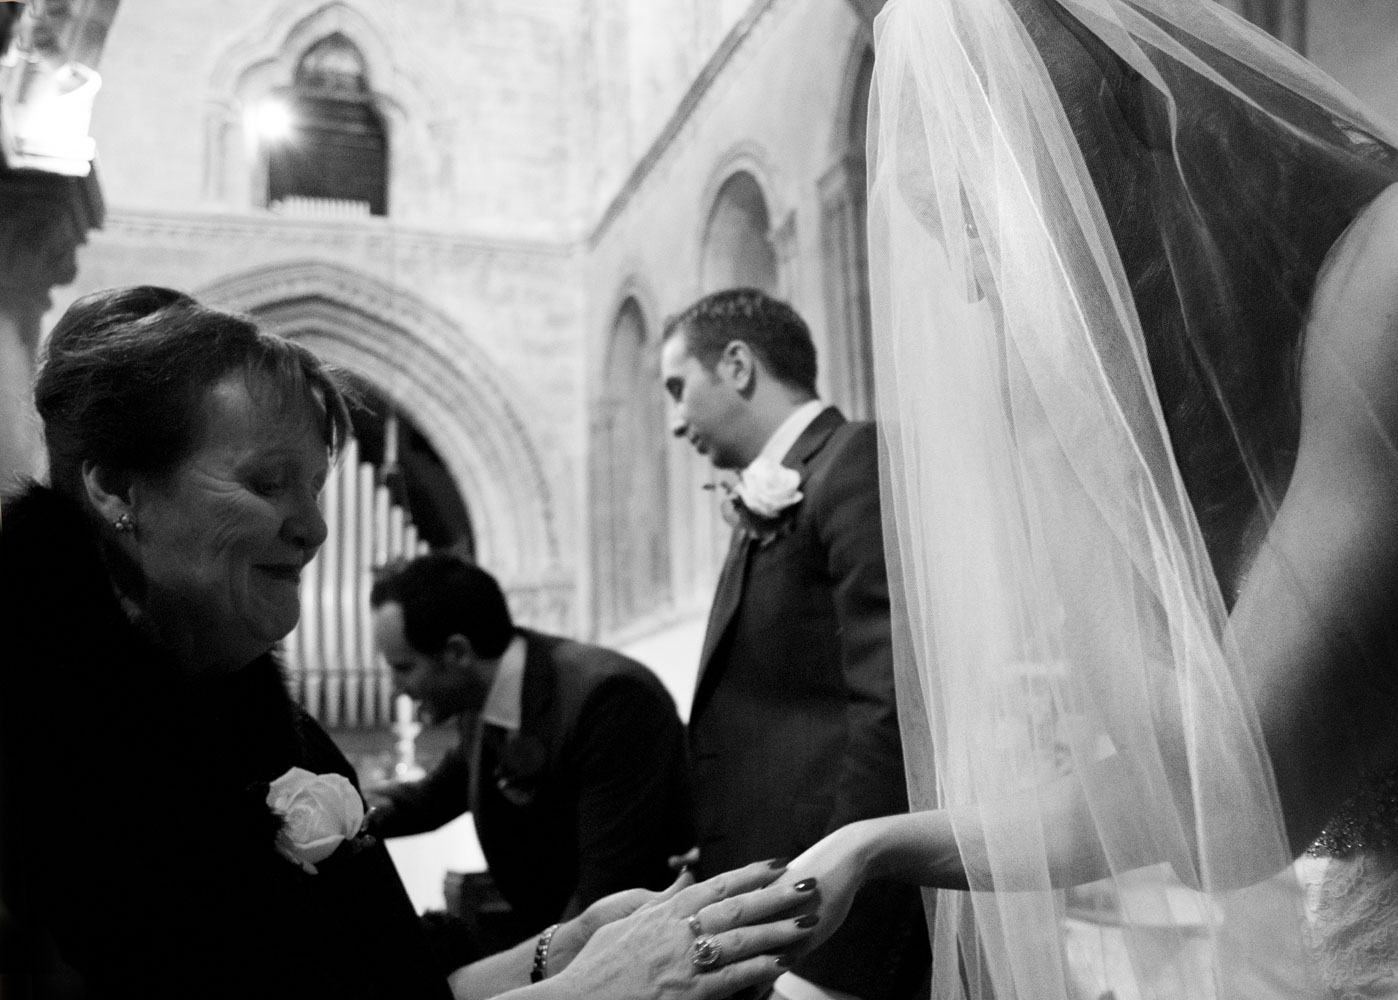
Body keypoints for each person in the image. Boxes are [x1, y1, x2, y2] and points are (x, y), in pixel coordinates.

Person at [768, 1, 1398, 999]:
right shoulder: (1207, 389)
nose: (979, 295)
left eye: (983, 226)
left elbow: (1233, 803)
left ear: (1103, 146)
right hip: (1361, 931)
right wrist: (880, 842)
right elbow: (1162, 788)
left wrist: (1059, 434)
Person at [0, 285, 816, 1000]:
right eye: (265, 481)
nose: (317, 527)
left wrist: (559, 950)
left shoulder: (268, 721)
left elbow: (385, 982)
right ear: (115, 486)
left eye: (318, 484)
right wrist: (594, 988)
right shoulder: (57, 755)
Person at [660, 288, 929, 1000]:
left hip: (836, 933)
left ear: (739, 366)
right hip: (781, 905)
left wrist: (834, 955)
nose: (674, 419)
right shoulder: (768, 494)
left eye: (678, 387)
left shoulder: (853, 463)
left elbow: (893, 710)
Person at [365, 553, 694, 950]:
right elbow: (429, 800)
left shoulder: (611, 700)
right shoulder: (480, 699)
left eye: (402, 667)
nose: (395, 687)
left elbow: (608, 892)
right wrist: (335, 813)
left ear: (457, 653)